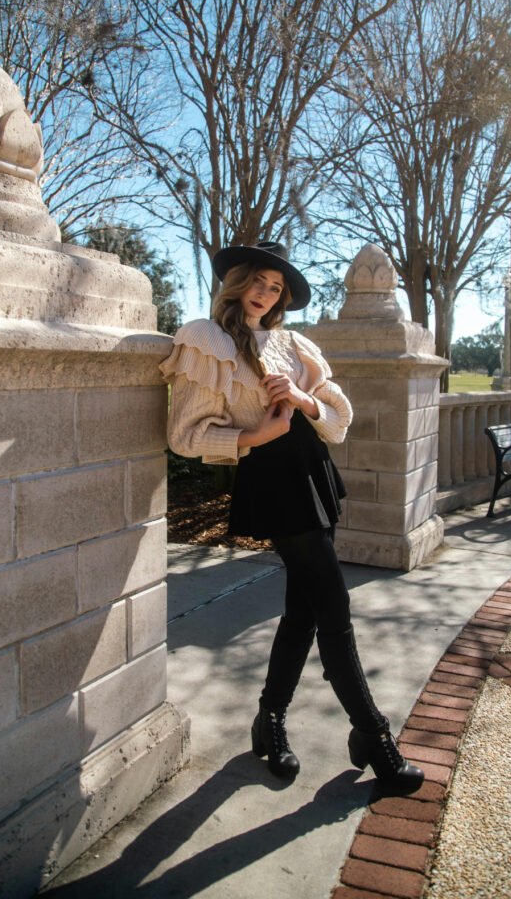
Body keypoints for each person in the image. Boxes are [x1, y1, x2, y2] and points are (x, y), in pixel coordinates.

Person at [160, 241, 423, 792]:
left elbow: (338, 419)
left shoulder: (294, 343)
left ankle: (270, 720)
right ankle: (373, 735)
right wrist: (258, 434)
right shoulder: (206, 339)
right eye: (258, 281)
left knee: (303, 612)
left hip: (315, 474)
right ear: (236, 281)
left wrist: (303, 399)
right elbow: (185, 435)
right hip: (275, 483)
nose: (266, 293)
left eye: (276, 287)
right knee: (333, 603)